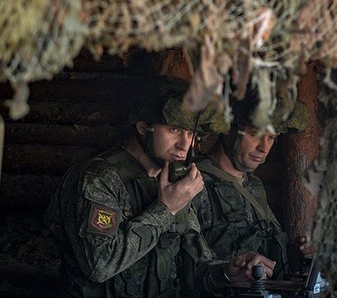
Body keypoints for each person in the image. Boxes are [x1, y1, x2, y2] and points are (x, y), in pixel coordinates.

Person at [44, 80, 275, 298]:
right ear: (144, 126)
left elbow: (195, 268)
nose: (185, 145)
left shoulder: (174, 182)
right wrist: (165, 208)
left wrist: (227, 272)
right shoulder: (98, 179)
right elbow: (100, 265)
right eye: (174, 130)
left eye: (192, 134)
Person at [190, 94, 314, 280]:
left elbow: (264, 246)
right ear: (227, 129)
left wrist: (298, 254)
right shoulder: (194, 183)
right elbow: (187, 270)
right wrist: (227, 273)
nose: (263, 147)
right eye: (255, 133)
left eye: (271, 137)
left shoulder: (253, 185)